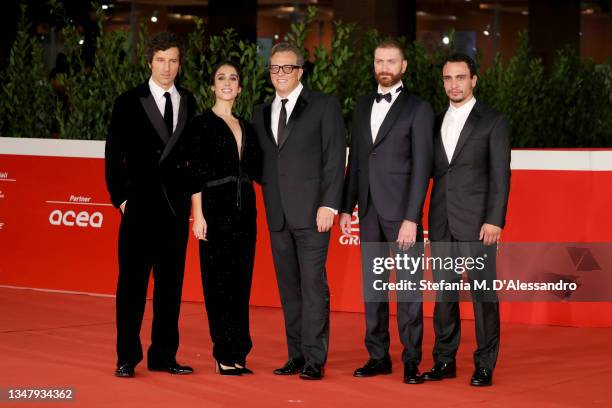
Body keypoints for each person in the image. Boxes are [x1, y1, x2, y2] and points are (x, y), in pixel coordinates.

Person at [340, 40, 434, 384]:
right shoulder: (363, 104)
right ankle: (377, 356)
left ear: (404, 66)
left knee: (409, 289)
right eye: (379, 60)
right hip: (367, 211)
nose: (384, 67)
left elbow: (423, 167)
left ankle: (412, 359)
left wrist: (412, 217)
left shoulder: (419, 109)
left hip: (402, 213)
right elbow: (358, 159)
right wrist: (347, 206)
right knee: (374, 288)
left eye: (391, 61)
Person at [104, 31, 197, 378]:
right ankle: (126, 356)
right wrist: (121, 199)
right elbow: (113, 154)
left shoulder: (188, 100)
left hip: (174, 210)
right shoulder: (128, 101)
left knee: (170, 289)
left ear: (179, 63)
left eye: (173, 60)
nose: (167, 67)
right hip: (139, 208)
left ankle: (164, 354)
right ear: (149, 62)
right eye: (160, 60)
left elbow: (189, 155)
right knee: (131, 286)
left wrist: (189, 201)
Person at [251, 42, 345, 380]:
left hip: (313, 214)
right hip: (277, 214)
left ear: (300, 71)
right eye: (275, 68)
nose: (280, 74)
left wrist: (329, 204)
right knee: (289, 289)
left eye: (287, 68)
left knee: (313, 287)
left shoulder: (324, 105)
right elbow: (259, 163)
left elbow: (335, 159)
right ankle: (295, 355)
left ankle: (314, 359)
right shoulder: (260, 111)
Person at [423, 52, 510, 387]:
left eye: (460, 77)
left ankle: (485, 363)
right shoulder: (432, 121)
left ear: (474, 80)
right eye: (447, 78)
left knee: (482, 295)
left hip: (478, 222)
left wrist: (495, 220)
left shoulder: (493, 120)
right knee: (444, 294)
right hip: (441, 217)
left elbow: (501, 176)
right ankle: (444, 360)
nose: (453, 84)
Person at [189, 62, 261, 376]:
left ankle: (239, 351)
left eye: (233, 78)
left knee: (241, 283)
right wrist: (198, 215)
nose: (227, 83)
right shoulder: (201, 124)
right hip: (214, 210)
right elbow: (194, 173)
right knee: (217, 284)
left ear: (240, 87)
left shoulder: (247, 125)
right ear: (213, 86)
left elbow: (259, 170)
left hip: (246, 212)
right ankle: (223, 353)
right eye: (221, 78)